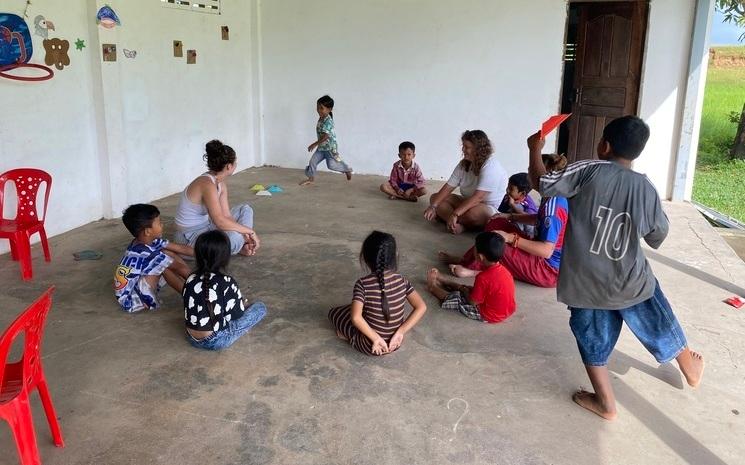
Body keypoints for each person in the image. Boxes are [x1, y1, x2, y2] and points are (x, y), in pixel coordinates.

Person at [528, 116, 704, 420]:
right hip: (630, 280)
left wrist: (534, 149)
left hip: (585, 285)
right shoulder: (645, 187)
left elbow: (543, 184)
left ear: (604, 146)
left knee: (591, 338)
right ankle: (688, 364)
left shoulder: (586, 170)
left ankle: (606, 403)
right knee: (656, 317)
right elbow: (657, 235)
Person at [440, 154, 569, 289]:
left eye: (532, 170)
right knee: (496, 223)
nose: (529, 173)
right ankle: (472, 260)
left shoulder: (553, 206)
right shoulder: (550, 196)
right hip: (539, 255)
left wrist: (509, 238)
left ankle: (473, 268)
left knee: (498, 245)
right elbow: (537, 219)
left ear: (545, 176)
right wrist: (509, 216)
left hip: (547, 270)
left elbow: (546, 251)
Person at [328, 231, 427, 355]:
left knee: (335, 313)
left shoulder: (363, 284)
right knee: (356, 310)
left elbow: (356, 318)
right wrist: (400, 332)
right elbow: (421, 307)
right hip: (394, 343)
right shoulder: (402, 281)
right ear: (395, 256)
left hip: (369, 345)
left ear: (365, 257)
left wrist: (376, 338)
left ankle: (350, 337)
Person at [182, 230, 267, 350]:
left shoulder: (191, 278)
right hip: (216, 340)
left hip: (191, 337)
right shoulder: (226, 281)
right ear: (225, 257)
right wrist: (241, 304)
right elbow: (236, 315)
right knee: (260, 308)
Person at [174, 140, 260, 256]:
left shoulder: (220, 183)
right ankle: (237, 246)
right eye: (235, 162)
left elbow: (226, 216)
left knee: (244, 209)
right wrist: (249, 231)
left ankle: (240, 244)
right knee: (234, 237)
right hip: (188, 238)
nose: (236, 165)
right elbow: (219, 222)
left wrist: (244, 233)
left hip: (208, 227)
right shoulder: (206, 184)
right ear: (229, 166)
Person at [423, 130, 508, 234]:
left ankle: (456, 223)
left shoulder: (491, 166)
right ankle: (457, 225)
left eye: (467, 147)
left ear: (478, 149)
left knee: (473, 214)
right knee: (435, 198)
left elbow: (478, 198)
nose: (463, 150)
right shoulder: (464, 164)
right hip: (467, 202)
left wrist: (455, 214)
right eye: (463, 146)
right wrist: (433, 206)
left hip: (485, 208)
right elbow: (449, 186)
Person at [114, 204, 193, 312]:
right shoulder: (146, 253)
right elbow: (178, 267)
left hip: (136, 286)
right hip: (131, 300)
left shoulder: (148, 241)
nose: (162, 225)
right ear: (147, 231)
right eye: (159, 223)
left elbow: (181, 248)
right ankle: (192, 296)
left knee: (166, 253)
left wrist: (205, 252)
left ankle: (196, 284)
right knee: (163, 266)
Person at [426, 232, 516, 323]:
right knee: (467, 289)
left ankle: (432, 287)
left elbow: (472, 302)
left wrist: (464, 290)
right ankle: (446, 281)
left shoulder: (483, 278)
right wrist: (465, 289)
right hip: (506, 310)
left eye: (475, 248)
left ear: (480, 257)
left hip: (489, 314)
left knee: (457, 298)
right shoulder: (505, 271)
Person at [300, 95, 353, 185]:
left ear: (329, 109)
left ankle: (347, 170)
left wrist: (314, 144)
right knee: (313, 162)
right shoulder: (321, 118)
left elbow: (326, 136)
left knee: (331, 165)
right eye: (317, 107)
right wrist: (318, 145)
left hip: (330, 148)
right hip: (322, 148)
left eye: (321, 108)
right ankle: (311, 178)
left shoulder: (328, 121)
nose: (318, 110)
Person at [497, 172, 538, 237]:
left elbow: (531, 219)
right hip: (510, 225)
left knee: (519, 207)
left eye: (511, 189)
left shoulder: (528, 204)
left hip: (527, 234)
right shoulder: (508, 197)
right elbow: (501, 213)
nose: (507, 190)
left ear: (522, 193)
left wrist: (513, 205)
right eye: (507, 187)